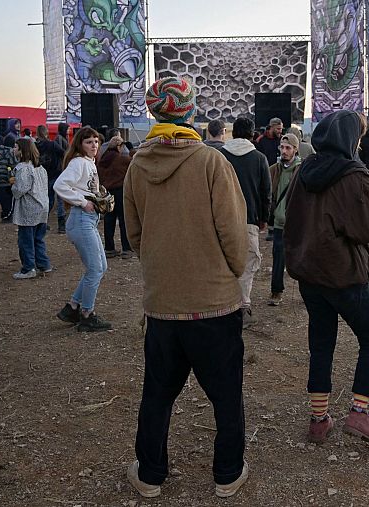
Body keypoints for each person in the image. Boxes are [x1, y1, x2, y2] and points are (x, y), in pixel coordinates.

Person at [123, 77, 250, 499]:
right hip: (214, 304)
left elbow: (135, 234)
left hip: (163, 306)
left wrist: (163, 268)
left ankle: (150, 475)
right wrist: (232, 273)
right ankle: (228, 474)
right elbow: (234, 233)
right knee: (226, 395)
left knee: (157, 395)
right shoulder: (212, 163)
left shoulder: (137, 166)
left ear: (154, 113)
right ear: (190, 112)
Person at [283, 110, 369, 444]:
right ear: (350, 139)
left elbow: (291, 217)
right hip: (343, 274)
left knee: (321, 341)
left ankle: (319, 419)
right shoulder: (354, 175)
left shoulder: (302, 171)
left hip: (309, 273)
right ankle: (358, 413)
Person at [53, 127, 112, 332]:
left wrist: (98, 196)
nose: (94, 145)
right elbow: (60, 185)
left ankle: (73, 307)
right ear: (80, 144)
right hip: (81, 219)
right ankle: (87, 314)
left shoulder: (89, 163)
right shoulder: (79, 162)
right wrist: (81, 201)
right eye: (89, 142)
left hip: (88, 220)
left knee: (100, 267)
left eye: (96, 141)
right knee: (95, 269)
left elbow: (85, 188)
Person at [218, 117, 271, 327]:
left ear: (232, 133)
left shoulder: (219, 156)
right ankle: (243, 305)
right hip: (249, 219)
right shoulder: (259, 158)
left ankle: (222, 304)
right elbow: (266, 192)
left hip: (221, 218)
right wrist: (264, 219)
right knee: (248, 262)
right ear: (252, 134)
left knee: (222, 260)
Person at [267, 133, 302, 306]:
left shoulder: (301, 170)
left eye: (288, 148)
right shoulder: (275, 169)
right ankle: (276, 291)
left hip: (297, 223)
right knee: (278, 257)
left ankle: (307, 291)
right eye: (282, 147)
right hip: (280, 222)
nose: (284, 151)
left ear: (295, 149)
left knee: (302, 257)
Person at [10, 138, 50, 279]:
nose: (13, 149)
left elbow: (20, 189)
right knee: (38, 238)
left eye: (15, 147)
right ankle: (43, 264)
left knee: (25, 240)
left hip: (29, 209)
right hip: (42, 206)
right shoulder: (40, 168)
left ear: (22, 151)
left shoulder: (23, 169)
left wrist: (13, 186)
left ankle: (28, 268)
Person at [98, 134, 134, 259]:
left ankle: (109, 248)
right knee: (123, 220)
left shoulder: (102, 160)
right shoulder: (122, 159)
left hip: (107, 192)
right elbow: (135, 162)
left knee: (109, 220)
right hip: (120, 192)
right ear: (119, 146)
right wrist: (132, 150)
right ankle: (126, 249)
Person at [35, 125, 67, 233]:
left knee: (47, 200)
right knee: (60, 200)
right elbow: (63, 153)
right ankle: (61, 225)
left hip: (43, 175)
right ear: (46, 132)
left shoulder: (35, 146)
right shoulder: (52, 144)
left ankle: (44, 223)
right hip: (56, 173)